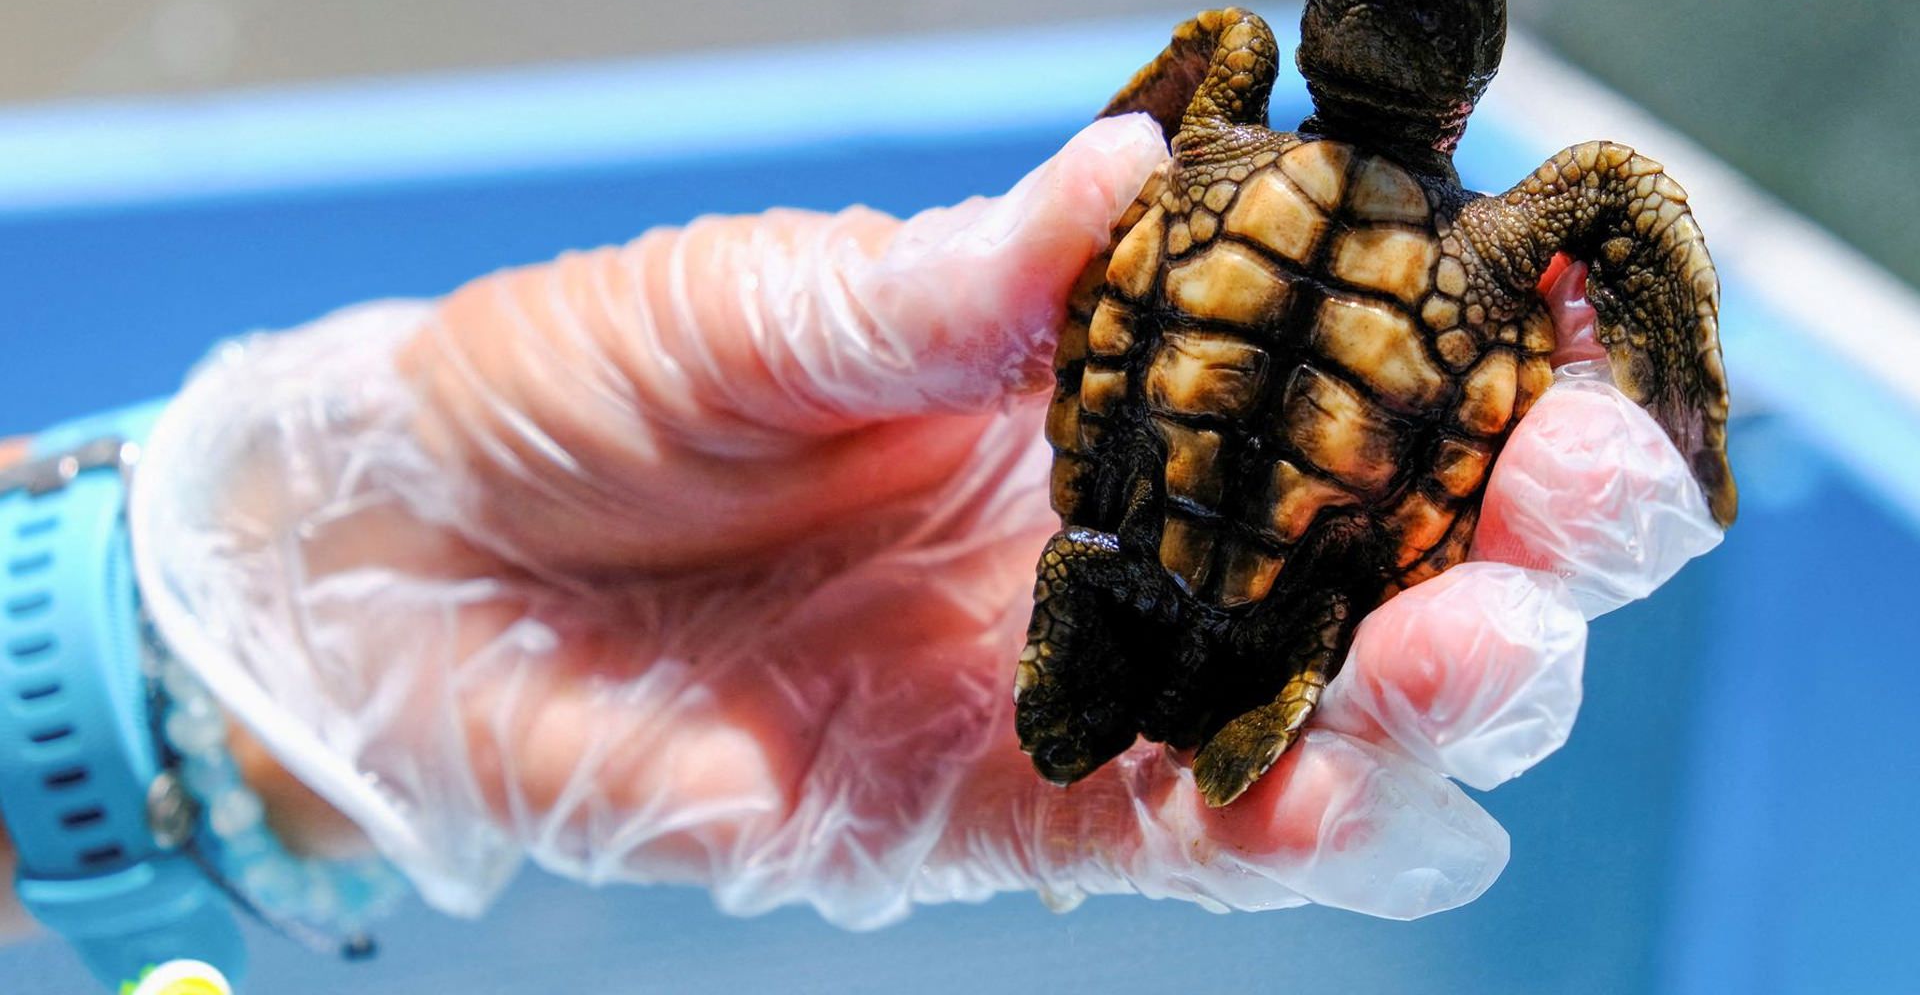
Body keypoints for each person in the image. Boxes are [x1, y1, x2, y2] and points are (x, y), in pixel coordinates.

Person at [0, 115, 1722, 983]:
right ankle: (1232, 675)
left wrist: (236, 600)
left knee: (1359, 648)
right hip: (1200, 508)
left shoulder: (1231, 126)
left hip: (1143, 502)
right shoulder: (1399, 167)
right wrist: (278, 587)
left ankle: (1230, 676)